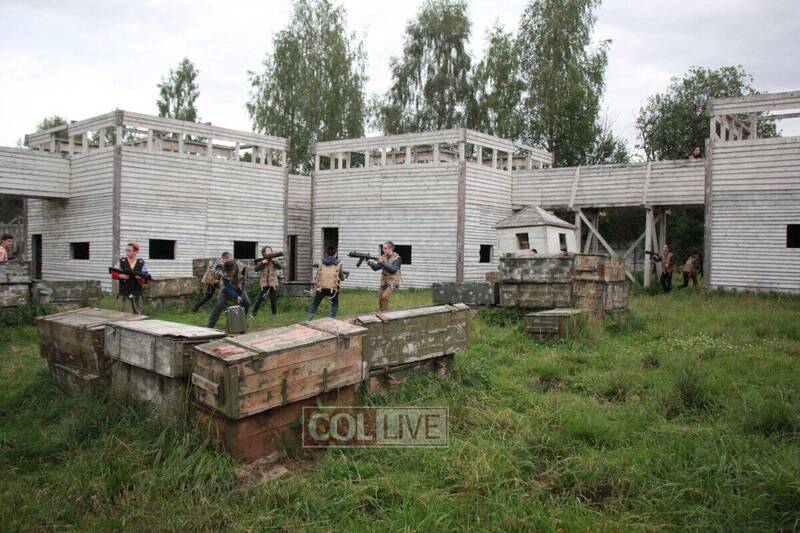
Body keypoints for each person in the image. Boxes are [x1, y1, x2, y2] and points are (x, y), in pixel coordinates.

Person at [206, 254, 250, 329]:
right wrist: (236, 296)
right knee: (219, 305)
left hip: (239, 287)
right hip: (226, 289)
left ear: (233, 270)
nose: (228, 275)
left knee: (246, 302)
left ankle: (242, 321)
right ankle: (210, 325)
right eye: (227, 274)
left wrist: (241, 294)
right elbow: (229, 287)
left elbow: (245, 280)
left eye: (230, 274)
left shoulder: (241, 268)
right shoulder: (223, 272)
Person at [305, 246, 346, 320]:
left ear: (327, 253)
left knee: (315, 304)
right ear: (336, 254)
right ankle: (333, 319)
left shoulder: (321, 262)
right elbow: (342, 278)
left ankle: (307, 320)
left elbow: (318, 275)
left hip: (321, 287)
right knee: (335, 304)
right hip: (333, 289)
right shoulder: (338, 264)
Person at [368, 241, 402, 312]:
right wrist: (370, 263)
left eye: (385, 248)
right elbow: (376, 268)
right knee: (380, 298)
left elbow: (393, 269)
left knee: (384, 297)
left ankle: (385, 315)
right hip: (384, 281)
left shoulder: (397, 258)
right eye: (383, 248)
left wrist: (382, 262)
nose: (383, 250)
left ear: (391, 249)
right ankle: (382, 313)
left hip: (393, 282)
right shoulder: (383, 257)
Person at [250, 245, 282, 318]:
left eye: (270, 250)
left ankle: (274, 314)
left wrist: (275, 262)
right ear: (264, 253)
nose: (269, 252)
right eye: (267, 251)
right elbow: (256, 269)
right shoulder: (262, 260)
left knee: (273, 298)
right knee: (260, 297)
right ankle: (253, 313)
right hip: (264, 282)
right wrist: (262, 263)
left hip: (273, 281)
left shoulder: (275, 259)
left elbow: (280, 267)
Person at [117, 242, 149, 314]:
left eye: (129, 250)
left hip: (137, 291)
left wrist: (140, 278)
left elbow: (145, 277)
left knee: (138, 313)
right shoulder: (121, 261)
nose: (127, 252)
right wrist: (119, 276)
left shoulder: (142, 263)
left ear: (136, 251)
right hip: (125, 291)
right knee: (125, 314)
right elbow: (114, 273)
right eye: (126, 250)